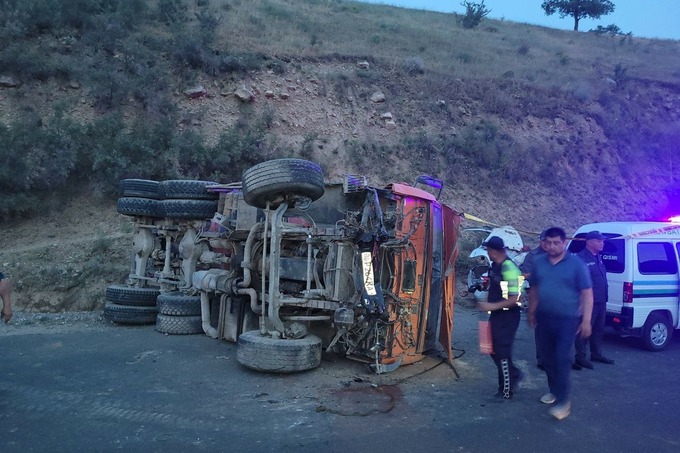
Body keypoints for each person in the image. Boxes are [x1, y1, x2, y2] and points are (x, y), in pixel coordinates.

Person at [527, 227, 593, 420]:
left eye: (556, 243)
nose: (552, 246)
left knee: (562, 358)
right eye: (548, 242)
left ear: (564, 243)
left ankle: (564, 401)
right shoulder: (539, 263)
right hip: (543, 318)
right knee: (546, 358)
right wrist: (531, 311)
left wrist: (587, 320)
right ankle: (554, 391)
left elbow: (587, 293)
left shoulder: (576, 264)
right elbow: (535, 289)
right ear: (544, 243)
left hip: (567, 320)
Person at [477, 236, 524, 400]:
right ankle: (515, 373)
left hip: (508, 316)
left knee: (502, 352)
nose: (488, 254)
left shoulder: (510, 268)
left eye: (489, 250)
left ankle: (505, 390)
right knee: (489, 348)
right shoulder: (495, 266)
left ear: (496, 250)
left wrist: (492, 306)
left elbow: (516, 298)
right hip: (496, 314)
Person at [575, 230, 614, 368]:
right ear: (589, 242)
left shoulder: (598, 257)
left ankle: (596, 353)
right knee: (585, 328)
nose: (602, 243)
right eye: (599, 241)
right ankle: (580, 356)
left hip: (601, 299)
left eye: (602, 241)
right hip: (588, 301)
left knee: (598, 328)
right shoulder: (581, 258)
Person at [519, 229, 548, 370]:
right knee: (541, 330)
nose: (546, 243)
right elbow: (524, 274)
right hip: (538, 295)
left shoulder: (556, 255)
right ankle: (542, 359)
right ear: (540, 240)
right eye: (543, 240)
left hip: (554, 297)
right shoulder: (533, 255)